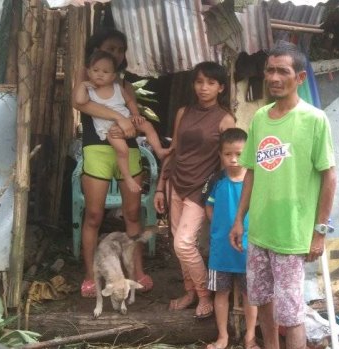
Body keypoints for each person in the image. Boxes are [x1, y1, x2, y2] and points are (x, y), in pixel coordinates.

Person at [229, 42, 337, 349]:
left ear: (300, 78)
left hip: (292, 234)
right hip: (260, 230)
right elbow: (251, 172)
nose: (274, 77)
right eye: (270, 70)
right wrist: (239, 220)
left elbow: (329, 177)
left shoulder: (315, 120)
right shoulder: (261, 117)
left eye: (282, 71)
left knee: (292, 314)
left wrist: (319, 232)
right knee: (262, 302)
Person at [72, 28, 156, 298]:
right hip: (97, 149)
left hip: (128, 150)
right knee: (94, 215)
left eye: (120, 50)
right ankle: (90, 274)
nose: (115, 54)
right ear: (96, 50)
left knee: (132, 215)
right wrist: (118, 119)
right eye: (110, 48)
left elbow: (133, 116)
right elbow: (81, 104)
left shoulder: (124, 85)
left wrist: (131, 122)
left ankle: (137, 272)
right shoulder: (86, 78)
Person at [153, 62, 235, 318]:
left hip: (201, 188)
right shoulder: (183, 112)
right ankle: (189, 291)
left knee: (185, 243)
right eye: (199, 82)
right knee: (178, 246)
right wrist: (159, 186)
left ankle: (204, 295)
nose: (204, 87)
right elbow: (174, 149)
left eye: (211, 83)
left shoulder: (225, 119)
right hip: (175, 182)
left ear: (221, 87)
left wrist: (223, 195)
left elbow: (230, 160)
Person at [74, 50, 170, 194]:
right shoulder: (90, 91)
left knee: (148, 125)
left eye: (105, 72)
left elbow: (130, 101)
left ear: (113, 76)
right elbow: (79, 101)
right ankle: (127, 177)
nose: (100, 74)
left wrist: (136, 115)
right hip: (109, 129)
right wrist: (83, 85)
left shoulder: (118, 88)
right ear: (88, 72)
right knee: (123, 150)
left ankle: (159, 151)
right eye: (95, 70)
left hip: (127, 120)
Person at [205, 128, 259, 349]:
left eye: (239, 153)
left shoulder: (256, 180)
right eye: (228, 154)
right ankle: (223, 337)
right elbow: (209, 207)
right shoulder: (216, 180)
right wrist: (219, 229)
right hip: (221, 249)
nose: (234, 159)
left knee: (250, 295)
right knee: (221, 293)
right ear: (220, 155)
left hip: (250, 247)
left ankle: (250, 338)